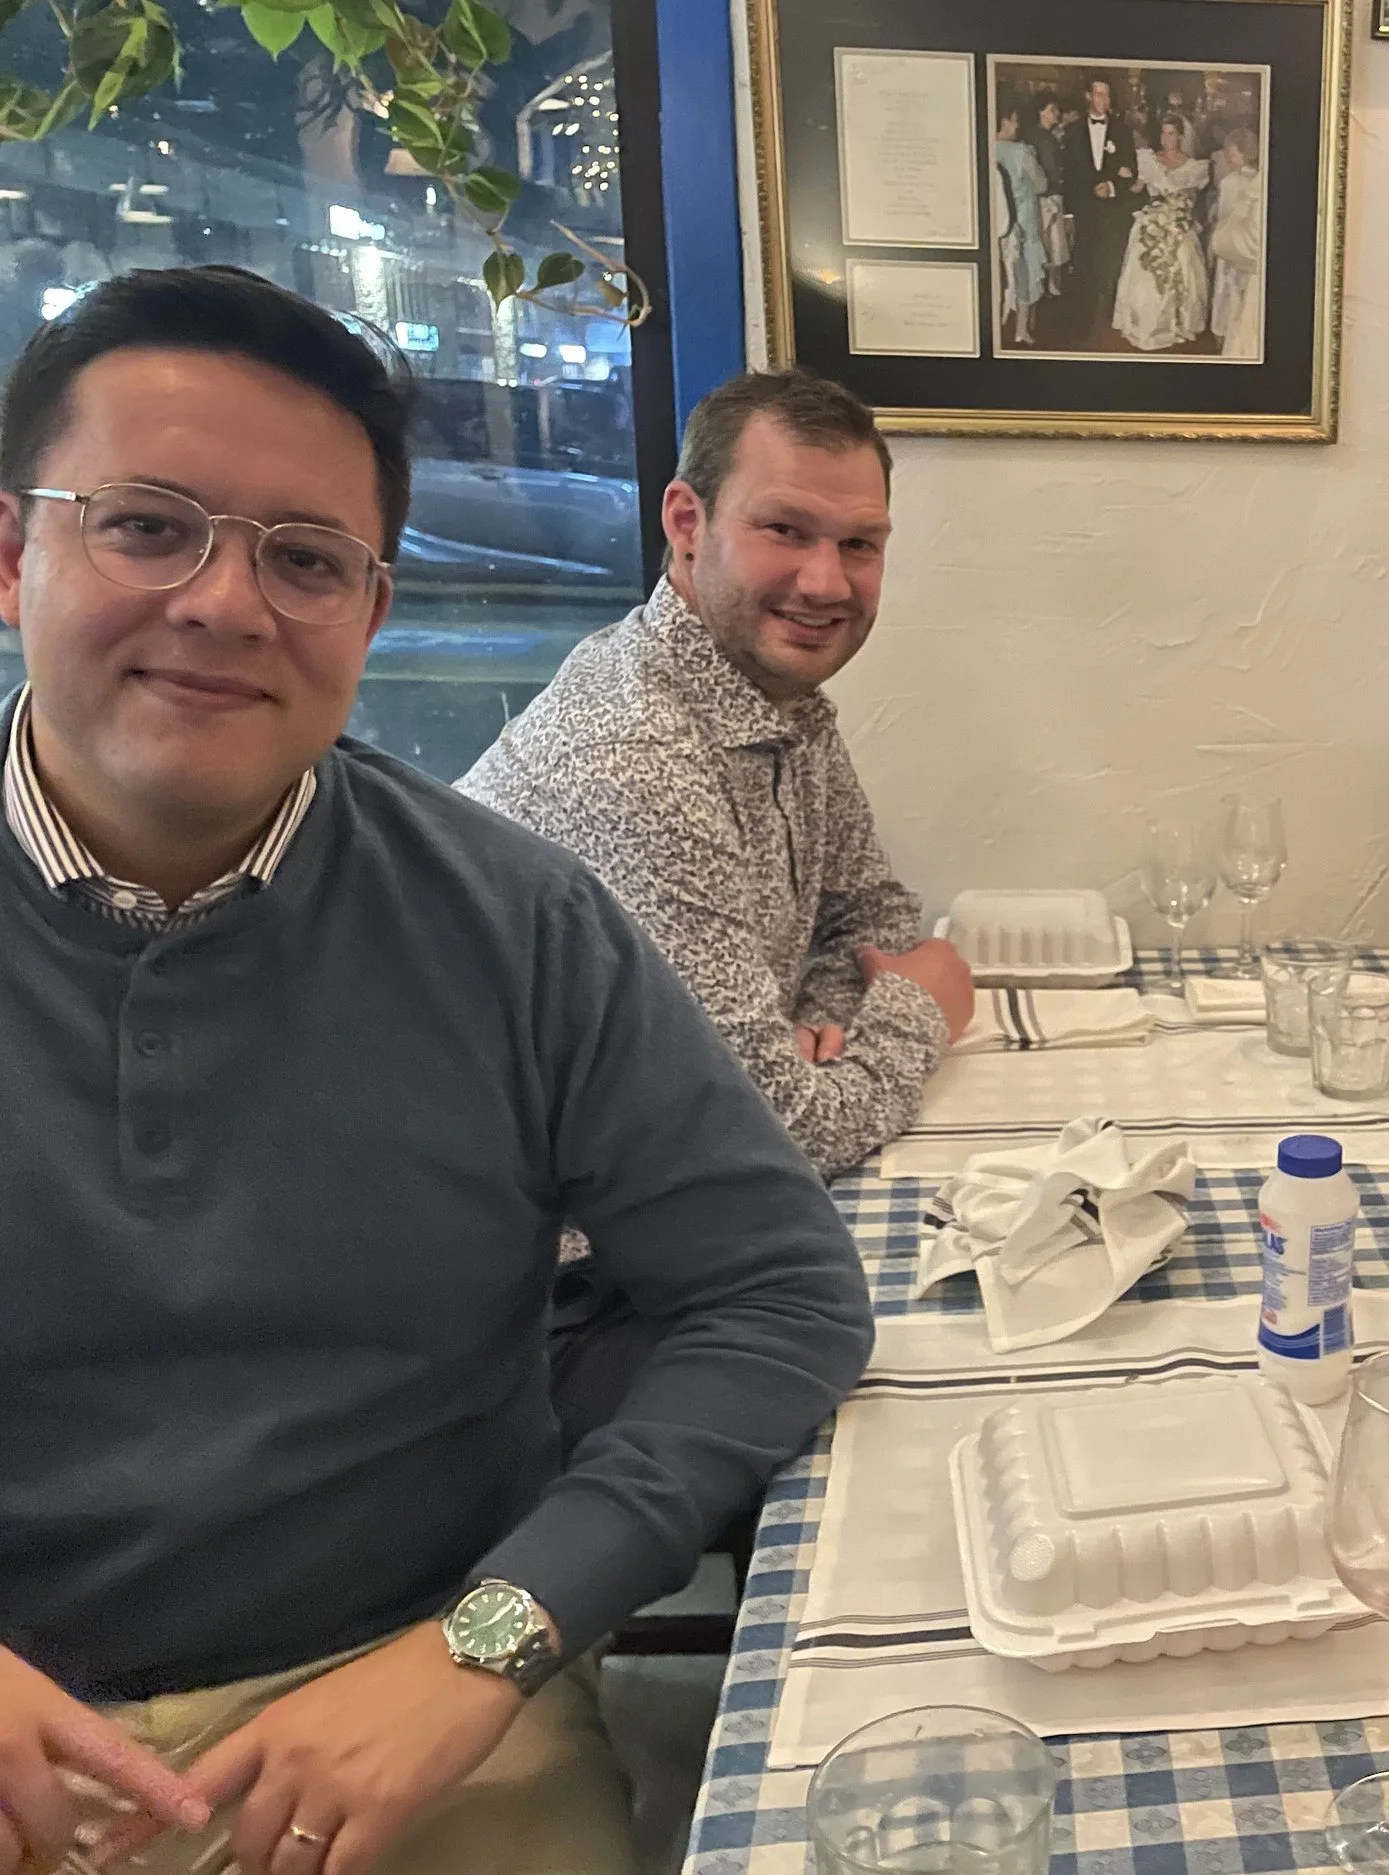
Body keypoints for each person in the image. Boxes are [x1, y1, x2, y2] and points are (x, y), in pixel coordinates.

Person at [0, 265, 870, 1875]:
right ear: (12, 550)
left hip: (421, 1693)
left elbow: (783, 1292)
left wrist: (490, 1636)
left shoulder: (513, 920)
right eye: (145, 523)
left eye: (307, 557)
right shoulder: (630, 760)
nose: (223, 602)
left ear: (374, 606)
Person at [459, 367, 969, 1450]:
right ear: (686, 523)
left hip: (650, 1221)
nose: (826, 582)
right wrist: (919, 1010)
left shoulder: (775, 700)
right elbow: (785, 1131)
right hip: (536, 1306)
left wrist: (832, 1026)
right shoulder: (634, 754)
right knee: (931, 1387)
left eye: (861, 544)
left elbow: (872, 913)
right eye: (785, 529)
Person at [1113, 115, 1213, 354]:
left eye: (1171, 133)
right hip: (1151, 222)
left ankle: (1178, 323)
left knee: (1184, 268)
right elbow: (1137, 188)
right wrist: (1125, 179)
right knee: (1144, 273)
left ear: (1180, 135)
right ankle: (1145, 324)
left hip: (1177, 225)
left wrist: (1180, 209)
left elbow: (1192, 199)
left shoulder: (1194, 166)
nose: (1167, 138)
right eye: (1163, 133)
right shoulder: (1148, 160)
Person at [1068, 77, 1140, 328]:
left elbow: (1131, 169)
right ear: (1088, 96)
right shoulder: (1073, 131)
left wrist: (1110, 186)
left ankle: (1111, 316)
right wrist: (1091, 189)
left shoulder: (1122, 130)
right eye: (1099, 95)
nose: (1104, 101)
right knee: (1084, 262)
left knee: (1111, 261)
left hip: (1113, 208)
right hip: (1086, 208)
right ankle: (1082, 320)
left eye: (1107, 96)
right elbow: (1071, 172)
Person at [992, 102, 1048, 347]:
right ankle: (1021, 329)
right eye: (1014, 120)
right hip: (1022, 221)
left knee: (998, 274)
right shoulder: (1021, 152)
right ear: (1004, 121)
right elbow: (1042, 186)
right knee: (1025, 274)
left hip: (995, 223)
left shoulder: (982, 148)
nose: (1017, 125)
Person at [1209, 127, 1265, 362]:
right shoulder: (1259, 180)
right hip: (1249, 251)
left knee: (1227, 292)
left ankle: (1224, 334)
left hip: (1232, 247)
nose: (1228, 158)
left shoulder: (1230, 182)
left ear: (1244, 154)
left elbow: (1222, 216)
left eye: (1231, 154)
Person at [1029, 95, 1073, 300]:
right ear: (1041, 111)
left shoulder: (1045, 135)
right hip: (1047, 196)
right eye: (1052, 109)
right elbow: (1051, 168)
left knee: (1053, 242)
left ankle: (1050, 287)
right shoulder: (1042, 138)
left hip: (1048, 194)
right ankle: (1051, 289)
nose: (1056, 113)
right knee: (1052, 242)